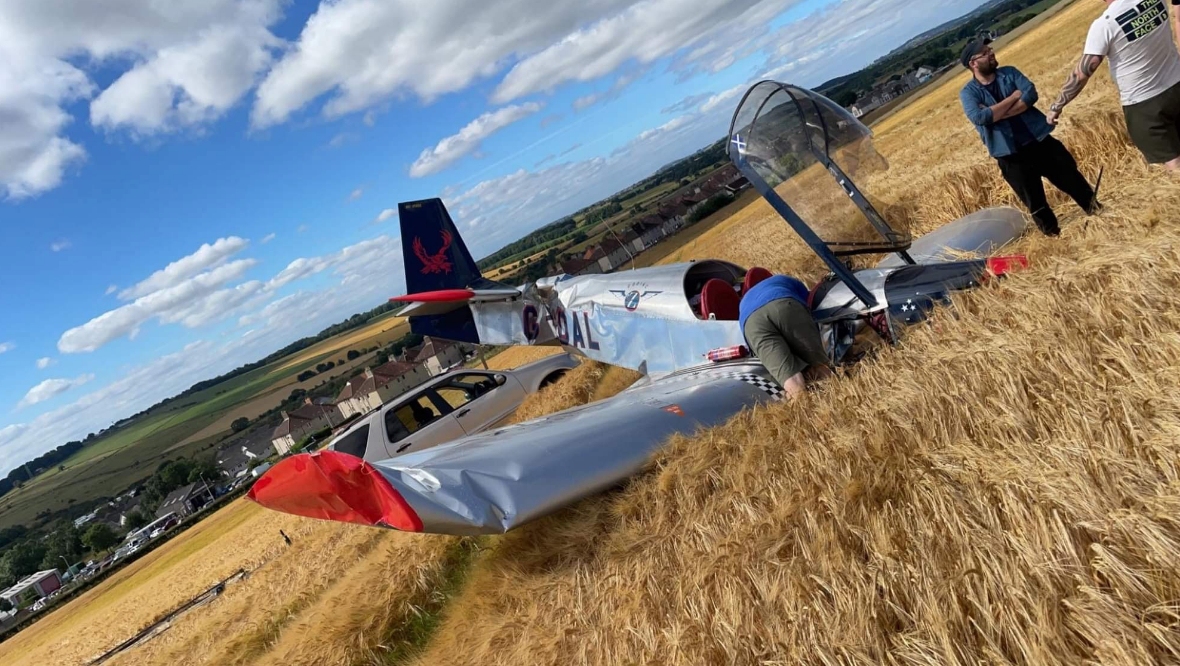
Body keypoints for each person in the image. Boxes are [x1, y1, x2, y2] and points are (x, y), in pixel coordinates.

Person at [959, 38, 1099, 236]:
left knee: (1074, 181)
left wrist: (998, 113)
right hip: (1010, 155)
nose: (991, 53)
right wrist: (1014, 97)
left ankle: (1098, 214)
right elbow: (980, 117)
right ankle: (1053, 238)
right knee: (1036, 203)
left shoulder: (1009, 72)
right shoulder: (968, 93)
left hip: (1039, 141)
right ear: (973, 63)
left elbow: (1030, 94)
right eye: (985, 52)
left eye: (990, 49)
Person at [1046, 0, 1180, 171]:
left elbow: (1081, 74)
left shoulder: (1105, 24)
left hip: (1144, 104)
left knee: (1174, 168)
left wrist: (1057, 106)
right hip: (1177, 82)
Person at [738, 273, 830, 397]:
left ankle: (803, 406)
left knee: (789, 377)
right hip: (784, 304)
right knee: (820, 365)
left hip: (751, 324)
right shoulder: (783, 279)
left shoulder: (744, 300)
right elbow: (812, 305)